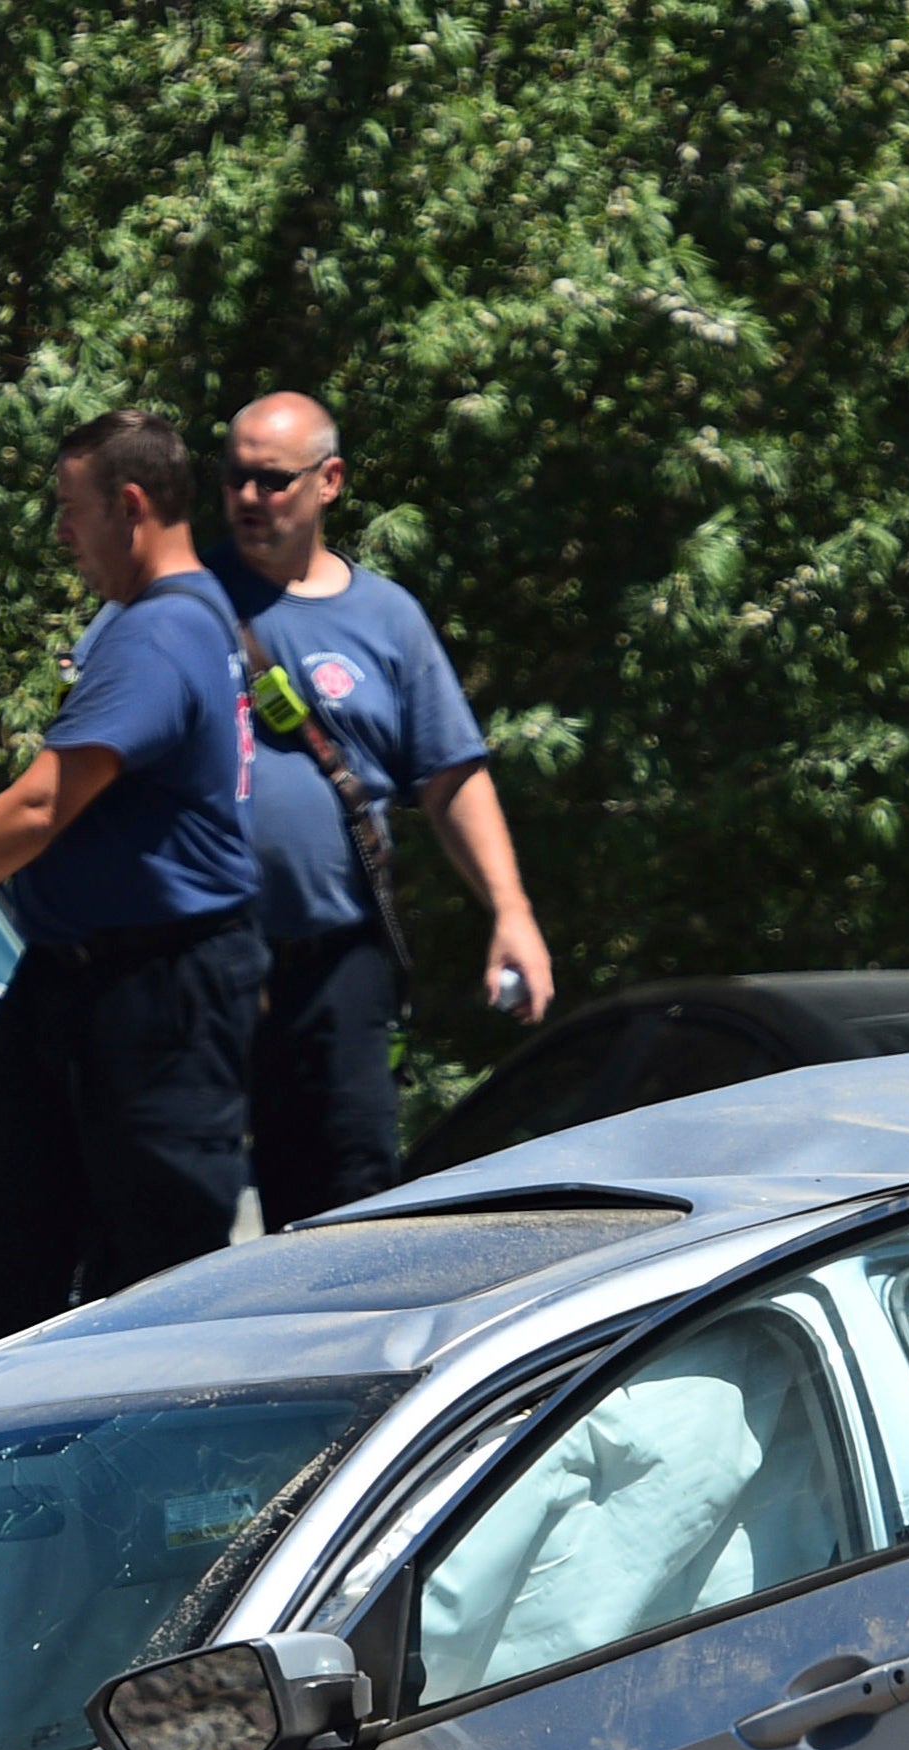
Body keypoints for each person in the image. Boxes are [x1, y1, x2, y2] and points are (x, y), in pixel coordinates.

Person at [0, 409, 264, 1350]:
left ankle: (150, 1489)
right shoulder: (160, 624)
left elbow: (41, 805)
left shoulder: (162, 634)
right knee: (15, 1255)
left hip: (158, 996)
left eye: (71, 509)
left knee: (153, 1280)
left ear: (133, 505)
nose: (61, 532)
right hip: (80, 983)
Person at [200, 392, 555, 1226]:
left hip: (335, 962)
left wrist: (510, 911)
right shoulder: (182, 601)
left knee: (348, 1188)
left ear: (329, 482)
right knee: (186, 1196)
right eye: (234, 479)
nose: (251, 499)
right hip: (200, 958)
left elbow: (451, 776)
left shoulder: (386, 618)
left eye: (272, 480)